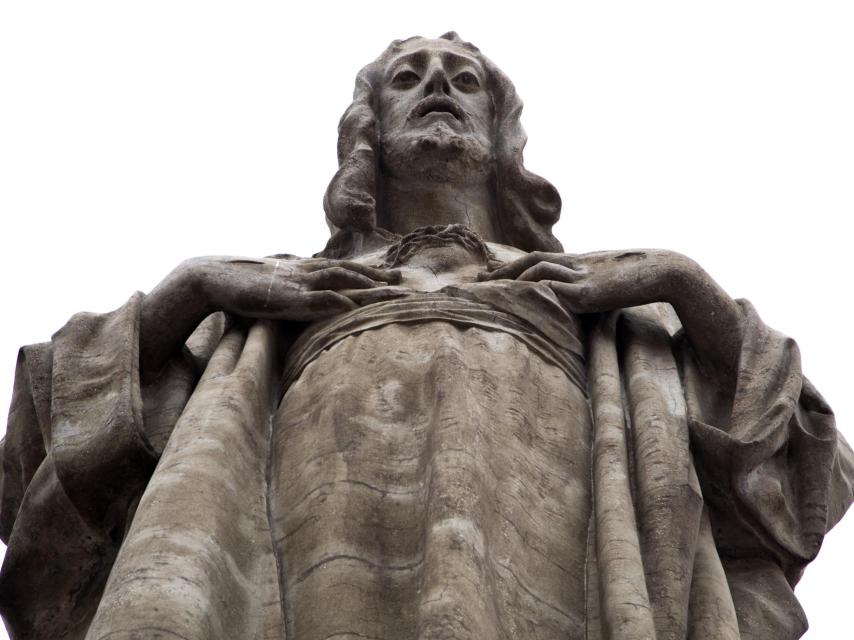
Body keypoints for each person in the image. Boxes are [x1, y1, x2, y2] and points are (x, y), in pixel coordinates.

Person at [0, 32, 851, 640]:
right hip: (301, 549)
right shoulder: (275, 294)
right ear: (369, 127)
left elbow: (807, 457)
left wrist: (678, 279)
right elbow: (54, 424)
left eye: (464, 78)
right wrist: (192, 288)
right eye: (407, 77)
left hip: (559, 553)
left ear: (501, 133)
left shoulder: (609, 298)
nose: (436, 83)